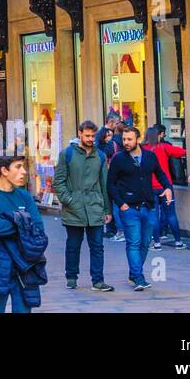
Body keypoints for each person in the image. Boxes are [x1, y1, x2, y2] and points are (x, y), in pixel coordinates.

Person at [106, 125, 173, 291]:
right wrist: (122, 204)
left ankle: (134, 272)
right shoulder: (118, 158)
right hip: (130, 209)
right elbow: (110, 183)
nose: (126, 142)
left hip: (149, 206)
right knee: (133, 243)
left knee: (145, 243)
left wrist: (168, 187)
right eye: (124, 139)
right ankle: (138, 277)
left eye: (129, 139)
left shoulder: (150, 156)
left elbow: (161, 174)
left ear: (137, 139)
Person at [0, 156, 47, 313]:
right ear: (4, 171)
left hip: (24, 268)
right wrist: (23, 222)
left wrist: (12, 222)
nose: (24, 172)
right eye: (18, 167)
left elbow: (39, 230)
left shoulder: (25, 197)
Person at [54, 121, 114, 292]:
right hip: (74, 207)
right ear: (80, 133)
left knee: (97, 246)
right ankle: (71, 277)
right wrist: (68, 199)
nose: (90, 139)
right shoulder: (67, 154)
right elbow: (59, 181)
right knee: (73, 245)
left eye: (93, 136)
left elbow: (104, 184)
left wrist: (107, 210)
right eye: (87, 135)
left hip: (95, 206)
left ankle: (98, 281)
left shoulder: (100, 156)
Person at [143, 125, 187, 249]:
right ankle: (178, 242)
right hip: (165, 187)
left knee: (153, 216)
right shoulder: (164, 147)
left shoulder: (142, 150)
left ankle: (157, 244)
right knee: (171, 214)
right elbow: (182, 152)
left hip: (150, 188)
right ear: (157, 137)